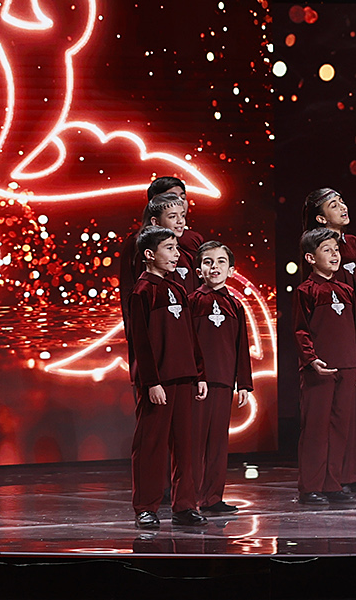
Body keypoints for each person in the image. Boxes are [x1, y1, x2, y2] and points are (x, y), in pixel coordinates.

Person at [303, 188, 356, 494]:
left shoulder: (352, 242)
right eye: (333, 204)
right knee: (335, 411)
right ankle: (333, 476)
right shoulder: (315, 248)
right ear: (320, 218)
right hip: (334, 331)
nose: (342, 206)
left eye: (342, 201)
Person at [127, 224, 209, 528]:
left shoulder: (178, 289)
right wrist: (151, 382)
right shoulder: (142, 291)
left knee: (185, 446)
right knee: (150, 444)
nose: (176, 254)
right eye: (170, 248)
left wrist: (199, 373)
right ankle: (145, 507)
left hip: (184, 377)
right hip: (158, 382)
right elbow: (141, 343)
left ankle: (185, 506)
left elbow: (190, 336)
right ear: (150, 254)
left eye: (177, 248)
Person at [293, 227, 356, 505]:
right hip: (320, 368)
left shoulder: (347, 290)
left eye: (336, 250)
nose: (335, 255)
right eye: (327, 250)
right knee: (315, 428)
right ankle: (310, 486)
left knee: (340, 427)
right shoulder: (306, 290)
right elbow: (301, 330)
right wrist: (311, 359)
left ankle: (332, 484)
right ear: (311, 258)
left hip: (347, 366)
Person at [187, 241, 254, 515]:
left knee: (218, 443)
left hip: (225, 381)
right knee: (194, 443)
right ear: (198, 270)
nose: (214, 267)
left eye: (221, 262)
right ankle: (188, 500)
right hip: (198, 383)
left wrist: (244, 383)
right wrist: (195, 376)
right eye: (208, 262)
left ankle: (212, 498)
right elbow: (187, 344)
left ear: (232, 270)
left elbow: (241, 346)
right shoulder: (191, 302)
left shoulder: (235, 305)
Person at [118, 176, 187, 341]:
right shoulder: (136, 243)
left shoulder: (192, 240)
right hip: (155, 326)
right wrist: (134, 333)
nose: (179, 202)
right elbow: (129, 290)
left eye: (182, 197)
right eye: (171, 197)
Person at [145, 192, 200, 291]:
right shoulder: (150, 257)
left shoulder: (187, 256)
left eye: (182, 215)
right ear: (155, 222)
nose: (180, 221)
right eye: (172, 216)